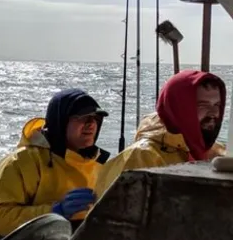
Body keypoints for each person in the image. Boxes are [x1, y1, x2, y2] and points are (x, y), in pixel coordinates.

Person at [0, 88, 110, 239]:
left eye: (96, 118)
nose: (91, 124)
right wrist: (54, 212)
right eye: (82, 117)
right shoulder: (20, 162)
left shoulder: (100, 165)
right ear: (60, 122)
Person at [95, 70, 227, 196]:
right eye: (203, 105)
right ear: (178, 108)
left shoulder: (218, 154)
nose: (214, 113)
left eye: (217, 105)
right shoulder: (142, 157)